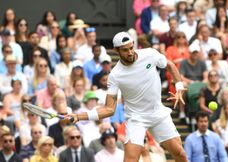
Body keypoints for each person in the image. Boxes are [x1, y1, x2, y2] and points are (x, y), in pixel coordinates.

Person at [65, 31, 187, 162]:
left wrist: (179, 86)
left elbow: (170, 65)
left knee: (180, 154)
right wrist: (79, 116)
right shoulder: (115, 75)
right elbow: (109, 109)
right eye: (125, 50)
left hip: (158, 113)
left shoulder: (149, 54)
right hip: (136, 119)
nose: (130, 52)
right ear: (116, 50)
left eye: (131, 48)